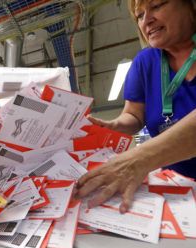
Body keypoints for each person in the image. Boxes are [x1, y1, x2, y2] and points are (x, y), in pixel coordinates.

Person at [75, 0, 196, 213]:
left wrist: (140, 158)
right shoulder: (144, 62)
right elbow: (133, 115)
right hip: (178, 189)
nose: (147, 20)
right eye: (139, 16)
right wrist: (113, 125)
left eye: (157, 6)